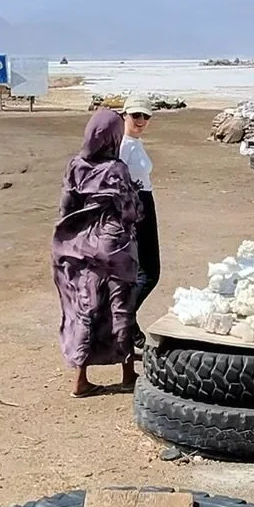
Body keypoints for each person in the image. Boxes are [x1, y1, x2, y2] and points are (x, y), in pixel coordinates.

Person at [52, 106, 143, 397]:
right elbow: (131, 212)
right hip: (115, 245)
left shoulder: (76, 165)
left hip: (82, 247)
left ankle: (80, 379)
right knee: (121, 307)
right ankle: (128, 373)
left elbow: (66, 207)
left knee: (86, 308)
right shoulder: (116, 170)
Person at [120, 97, 161, 313]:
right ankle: (123, 320)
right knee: (149, 273)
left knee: (141, 272)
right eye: (136, 115)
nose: (141, 120)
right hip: (136, 207)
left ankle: (125, 324)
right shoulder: (123, 145)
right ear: (124, 115)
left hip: (145, 202)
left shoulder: (135, 142)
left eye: (146, 116)